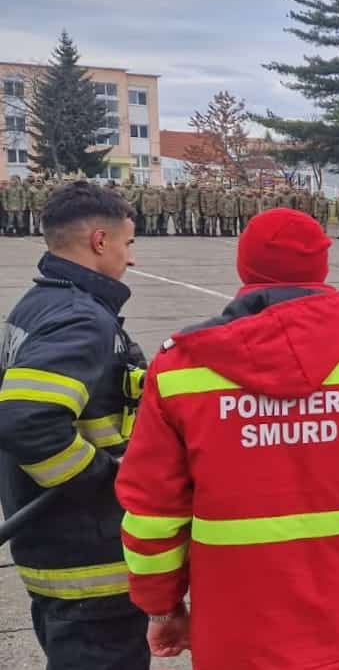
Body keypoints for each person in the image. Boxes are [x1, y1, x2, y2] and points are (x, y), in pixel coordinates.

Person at [115, 208, 339, 668]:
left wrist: (162, 606)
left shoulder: (181, 371)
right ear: (321, 268)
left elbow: (152, 514)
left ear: (244, 267)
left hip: (237, 637)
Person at [0, 182, 147, 669]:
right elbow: (28, 419)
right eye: (128, 244)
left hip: (54, 546)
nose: (130, 259)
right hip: (86, 553)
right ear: (100, 241)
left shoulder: (39, 303)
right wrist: (104, 480)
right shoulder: (79, 319)